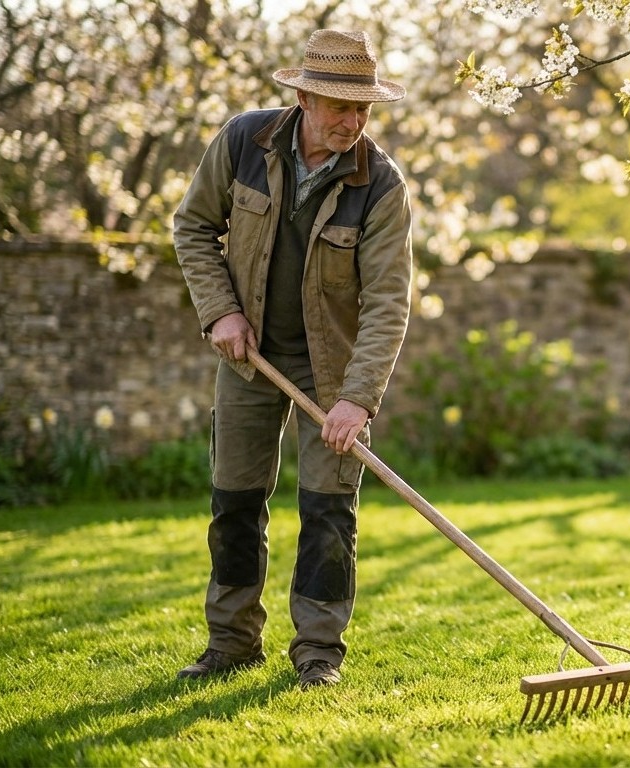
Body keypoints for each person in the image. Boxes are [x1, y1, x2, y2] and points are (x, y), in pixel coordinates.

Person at [172, 29, 412, 690]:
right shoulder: (242, 143)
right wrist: (219, 309)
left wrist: (357, 396)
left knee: (329, 510)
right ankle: (230, 642)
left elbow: (389, 300)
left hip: (331, 370)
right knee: (235, 501)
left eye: (362, 108)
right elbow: (192, 226)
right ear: (304, 97)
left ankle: (317, 652)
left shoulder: (381, 184)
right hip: (250, 358)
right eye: (339, 106)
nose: (353, 121)